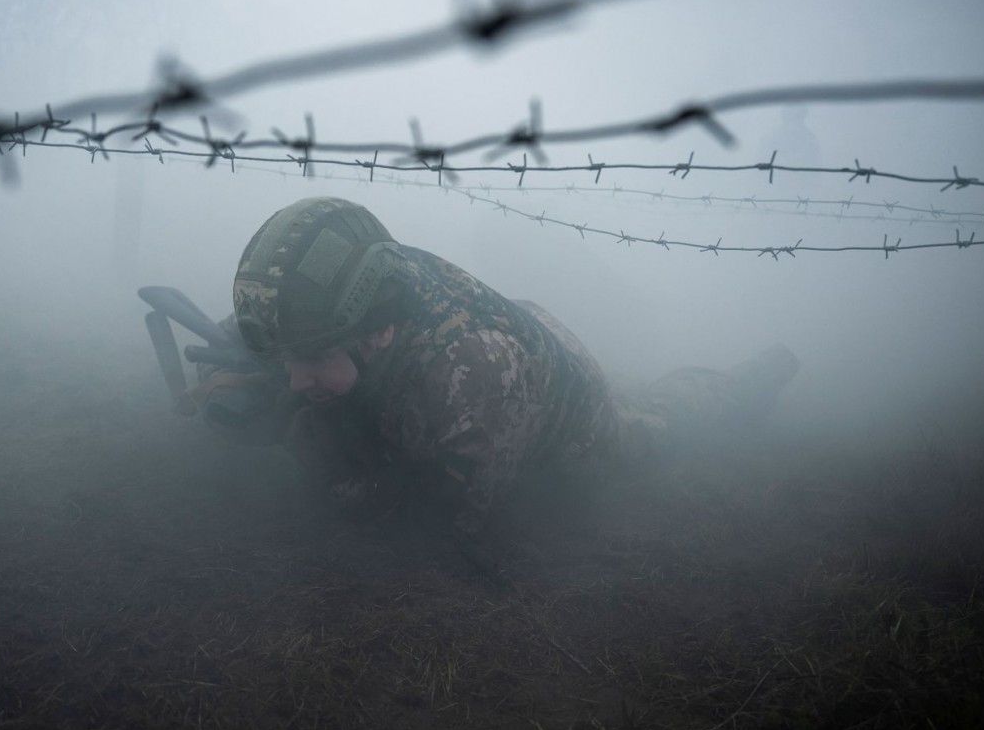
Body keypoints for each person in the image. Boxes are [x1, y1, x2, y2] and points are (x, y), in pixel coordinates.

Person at [191, 196, 798, 542]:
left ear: (376, 333)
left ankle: (756, 377)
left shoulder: (469, 387)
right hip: (519, 335)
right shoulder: (360, 285)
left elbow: (442, 517)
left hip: (565, 408)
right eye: (291, 362)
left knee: (658, 419)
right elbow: (281, 318)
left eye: (313, 362)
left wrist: (306, 446)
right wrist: (247, 367)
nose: (296, 378)